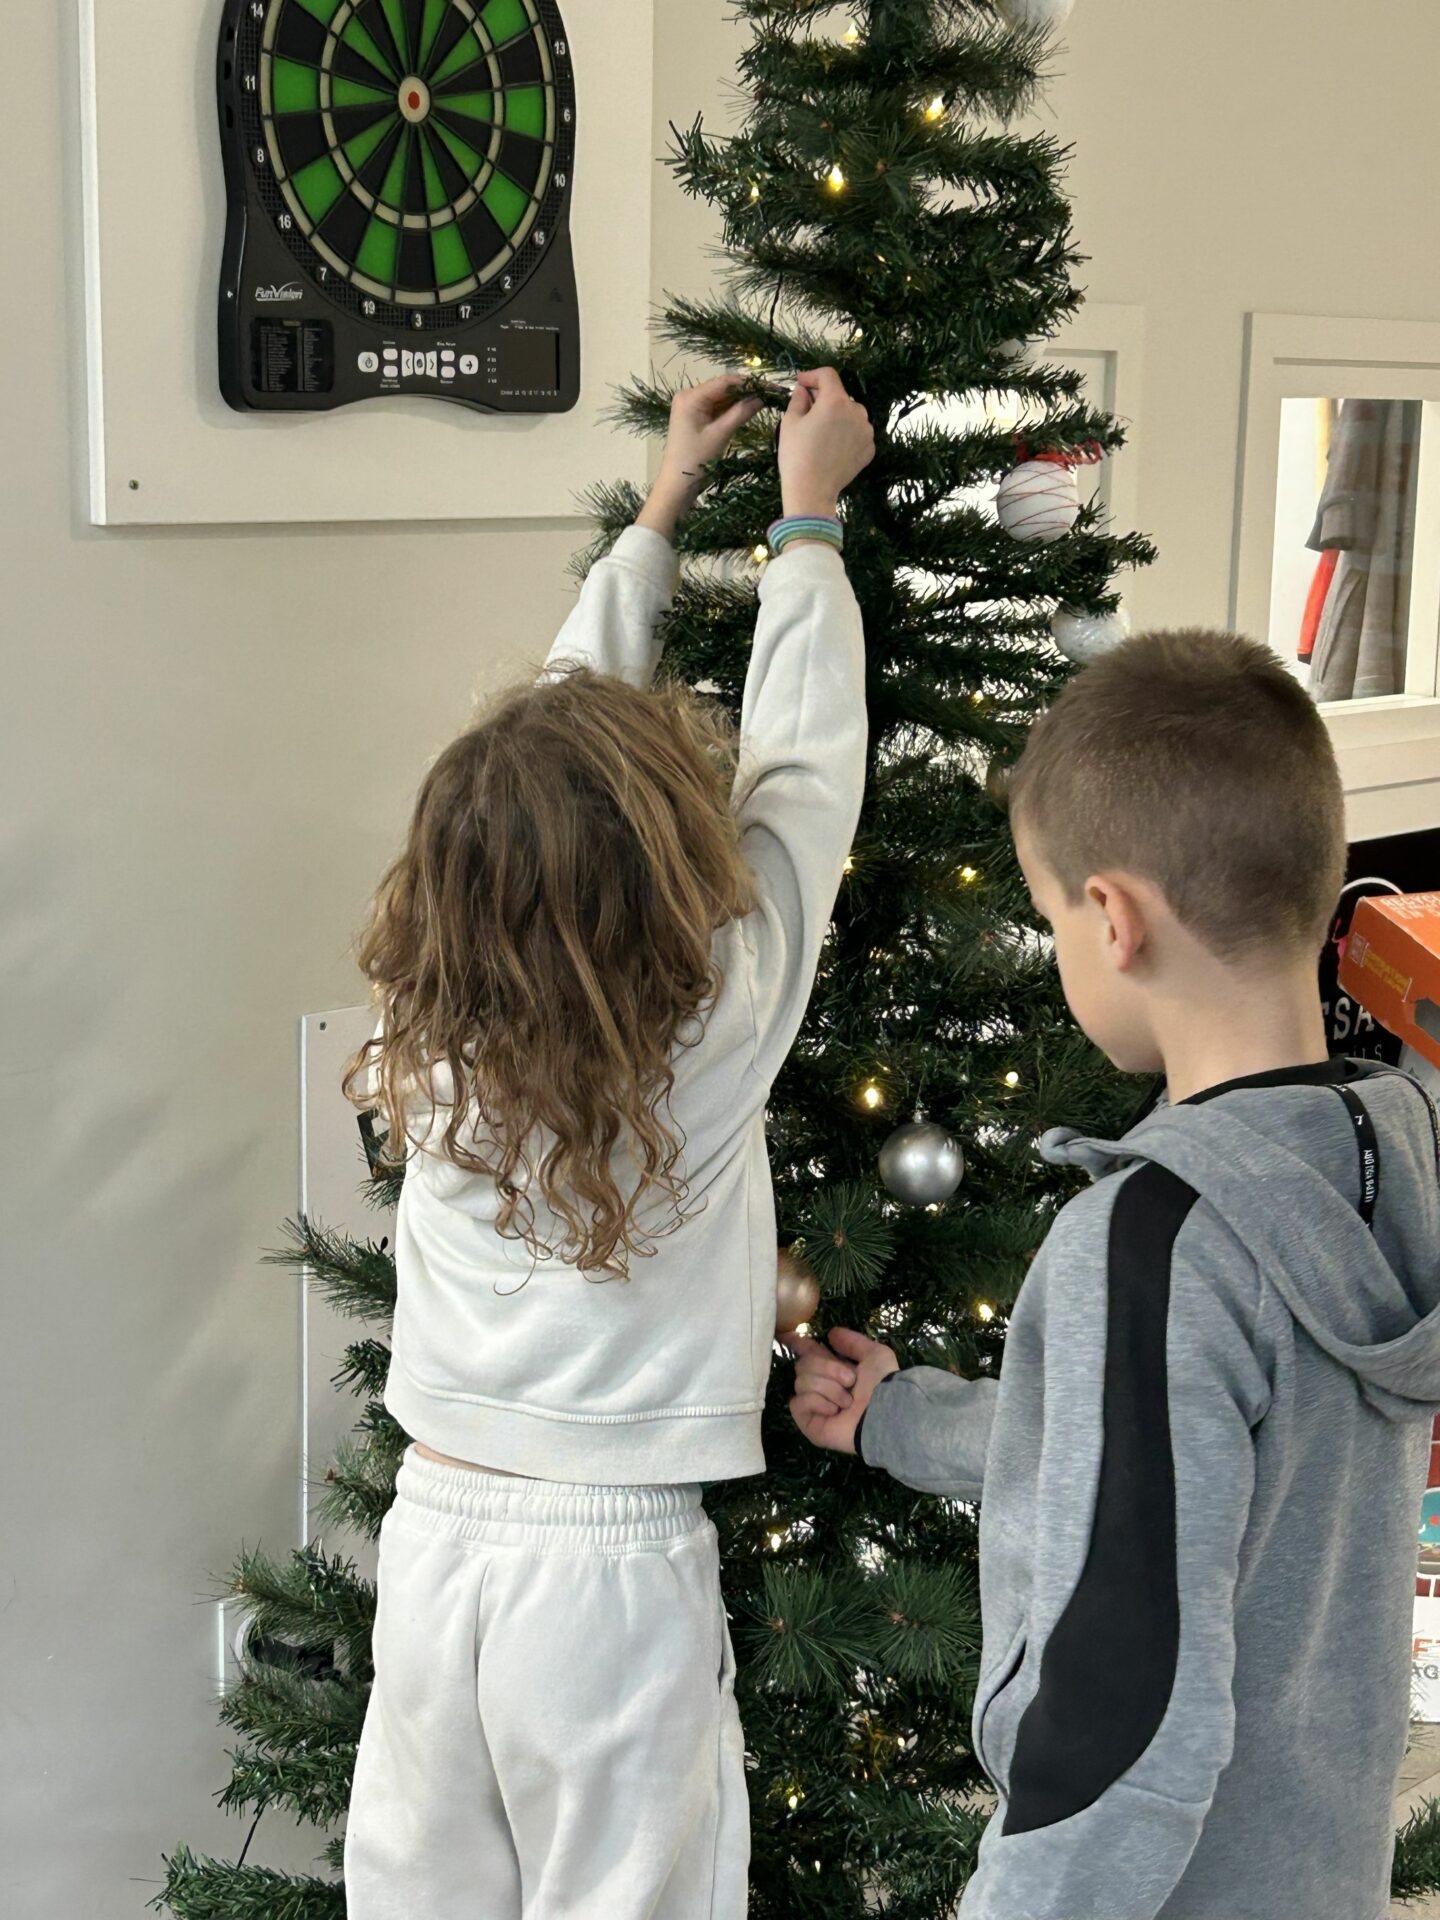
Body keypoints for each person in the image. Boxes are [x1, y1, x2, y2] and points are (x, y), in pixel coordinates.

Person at [789, 630, 1440, 1920]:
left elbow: (1121, 1716)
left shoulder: (1156, 1240)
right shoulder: (1391, 1156)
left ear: (1115, 918)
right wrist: (901, 1419)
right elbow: (1161, 1449)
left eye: (1050, 920)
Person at [341, 367, 874, 1920]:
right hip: (611, 1575)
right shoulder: (720, 1019)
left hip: (435, 1543)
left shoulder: (426, 1022)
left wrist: (657, 518)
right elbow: (805, 782)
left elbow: (544, 761)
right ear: (671, 867)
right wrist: (807, 524)